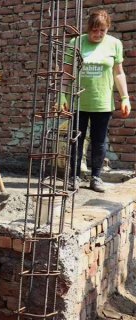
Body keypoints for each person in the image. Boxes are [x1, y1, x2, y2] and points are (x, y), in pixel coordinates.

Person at [62, 10, 131, 193]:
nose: (98, 34)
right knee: (76, 140)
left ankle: (96, 177)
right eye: (94, 30)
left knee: (99, 141)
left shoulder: (115, 44)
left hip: (102, 101)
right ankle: (74, 177)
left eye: (102, 30)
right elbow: (67, 72)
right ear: (88, 28)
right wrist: (61, 96)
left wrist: (125, 98)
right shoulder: (75, 43)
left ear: (107, 29)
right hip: (78, 101)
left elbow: (119, 72)